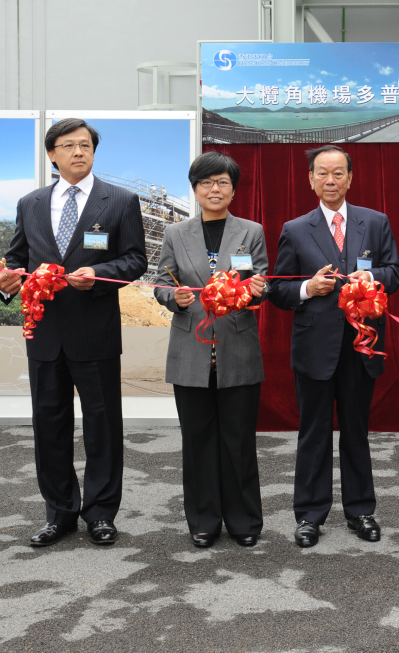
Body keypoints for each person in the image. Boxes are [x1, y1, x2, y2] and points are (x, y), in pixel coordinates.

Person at [0, 118, 147, 547]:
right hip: (43, 332)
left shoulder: (119, 200)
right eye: (68, 145)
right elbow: (15, 260)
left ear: (94, 151)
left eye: (85, 145)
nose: (78, 151)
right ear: (52, 155)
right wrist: (4, 283)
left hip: (94, 329)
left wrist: (98, 274)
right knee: (49, 425)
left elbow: (134, 260)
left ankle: (100, 513)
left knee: (102, 425)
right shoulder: (30, 203)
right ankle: (58, 513)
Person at [268, 146, 399, 548]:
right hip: (314, 346)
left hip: (362, 344)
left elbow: (394, 273)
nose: (330, 180)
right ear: (310, 179)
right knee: (313, 432)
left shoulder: (375, 223)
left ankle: (361, 511)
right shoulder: (295, 228)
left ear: (350, 178)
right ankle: (310, 515)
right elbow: (278, 286)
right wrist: (309, 287)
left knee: (357, 431)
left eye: (338, 173)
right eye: (322, 173)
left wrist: (368, 281)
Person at [154, 152, 269, 548]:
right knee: (198, 439)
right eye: (206, 183)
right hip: (190, 349)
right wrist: (175, 297)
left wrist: (258, 290)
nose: (214, 189)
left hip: (237, 346)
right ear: (196, 189)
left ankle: (244, 521)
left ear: (234, 189)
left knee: (238, 440)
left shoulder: (250, 231)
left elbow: (263, 279)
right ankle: (203, 520)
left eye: (222, 182)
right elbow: (159, 282)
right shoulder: (175, 234)